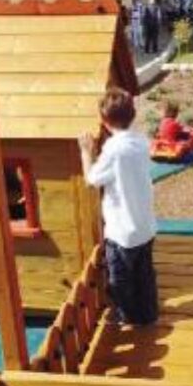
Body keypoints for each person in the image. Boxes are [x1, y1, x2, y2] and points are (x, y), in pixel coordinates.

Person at [79, 89, 158, 326]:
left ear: (104, 121)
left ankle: (128, 318)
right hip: (145, 226)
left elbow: (92, 179)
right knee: (144, 275)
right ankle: (149, 314)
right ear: (132, 115)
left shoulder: (113, 149)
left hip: (121, 232)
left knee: (121, 279)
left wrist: (86, 152)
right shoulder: (142, 141)